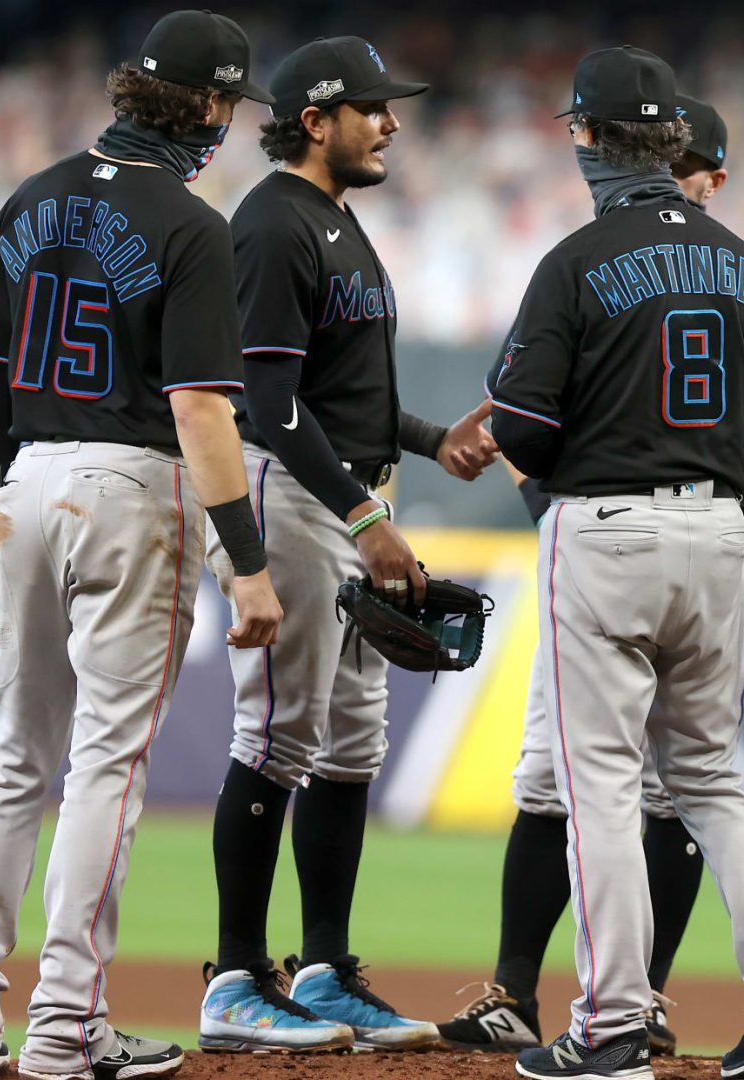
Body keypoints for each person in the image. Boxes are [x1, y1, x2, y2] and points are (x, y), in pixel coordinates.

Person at [437, 93, 744, 1060]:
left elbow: (522, 427)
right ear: (676, 148)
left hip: (606, 527)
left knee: (598, 786)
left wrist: (578, 454)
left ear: (588, 139)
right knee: (710, 781)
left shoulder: (576, 260)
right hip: (720, 530)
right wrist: (740, 466)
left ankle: (611, 1021)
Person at [0, 12, 281, 1080]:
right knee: (106, 766)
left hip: (25, 480)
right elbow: (202, 411)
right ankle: (67, 1026)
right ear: (207, 105)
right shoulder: (192, 225)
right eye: (228, 104)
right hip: (131, 483)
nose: (227, 121)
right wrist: (247, 561)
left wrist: (4, 508)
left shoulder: (31, 196)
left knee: (10, 764)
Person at [196, 35, 495, 1055]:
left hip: (342, 490)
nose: (392, 123)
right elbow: (271, 402)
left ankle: (323, 971)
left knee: (353, 741)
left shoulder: (332, 219)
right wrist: (366, 520)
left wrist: (430, 440)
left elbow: (342, 394)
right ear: (315, 120)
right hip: (291, 496)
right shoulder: (273, 223)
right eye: (373, 107)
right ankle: (236, 978)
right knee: (276, 734)